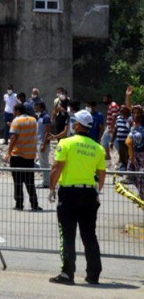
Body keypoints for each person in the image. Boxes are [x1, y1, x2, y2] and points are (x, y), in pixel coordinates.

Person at [48, 109, 106, 286]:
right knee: (89, 235)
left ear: (78, 125)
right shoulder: (98, 148)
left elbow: (57, 167)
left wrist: (51, 188)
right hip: (89, 194)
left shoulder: (65, 143)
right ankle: (93, 274)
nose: (72, 125)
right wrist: (97, 191)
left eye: (74, 122)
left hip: (69, 193)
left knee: (67, 235)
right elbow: (102, 174)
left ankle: (67, 274)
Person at [5, 104, 41, 211]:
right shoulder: (34, 120)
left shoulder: (16, 121)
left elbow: (13, 138)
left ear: (17, 111)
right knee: (30, 181)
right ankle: (34, 204)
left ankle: (19, 204)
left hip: (18, 155)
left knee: (18, 181)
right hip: (30, 155)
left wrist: (8, 153)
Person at [35, 101, 52, 189]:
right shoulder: (39, 117)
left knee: (45, 164)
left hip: (43, 143)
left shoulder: (46, 117)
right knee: (42, 164)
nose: (35, 109)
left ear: (42, 108)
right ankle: (46, 181)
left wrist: (43, 144)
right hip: (39, 142)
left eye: (37, 108)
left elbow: (47, 132)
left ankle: (47, 182)